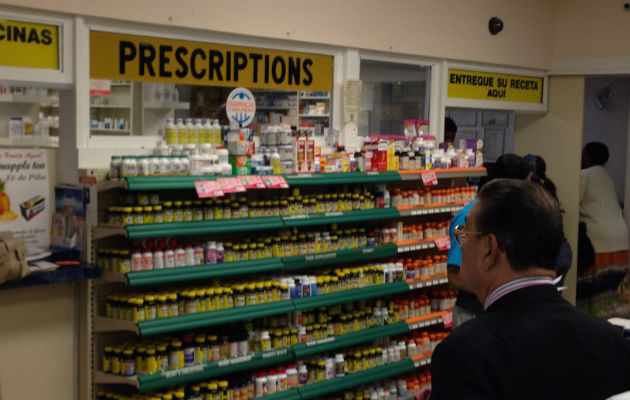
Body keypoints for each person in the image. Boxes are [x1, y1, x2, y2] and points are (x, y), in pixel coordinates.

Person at [431, 179, 630, 400]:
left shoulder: (464, 354)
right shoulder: (611, 340)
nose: (461, 244)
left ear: (489, 249)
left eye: (465, 232)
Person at [447, 154, 531, 327]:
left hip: (505, 310)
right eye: (525, 187)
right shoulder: (467, 218)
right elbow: (455, 276)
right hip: (473, 313)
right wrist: (496, 292)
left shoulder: (512, 214)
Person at [577, 142, 630, 318]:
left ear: (588, 157)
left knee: (595, 291)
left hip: (599, 240)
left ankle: (593, 323)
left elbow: (571, 198)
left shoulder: (585, 175)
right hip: (621, 239)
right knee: (615, 291)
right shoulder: (607, 176)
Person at [524, 153, 572, 286]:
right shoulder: (547, 189)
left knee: (540, 302)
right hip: (562, 251)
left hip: (547, 256)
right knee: (553, 300)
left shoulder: (531, 194)